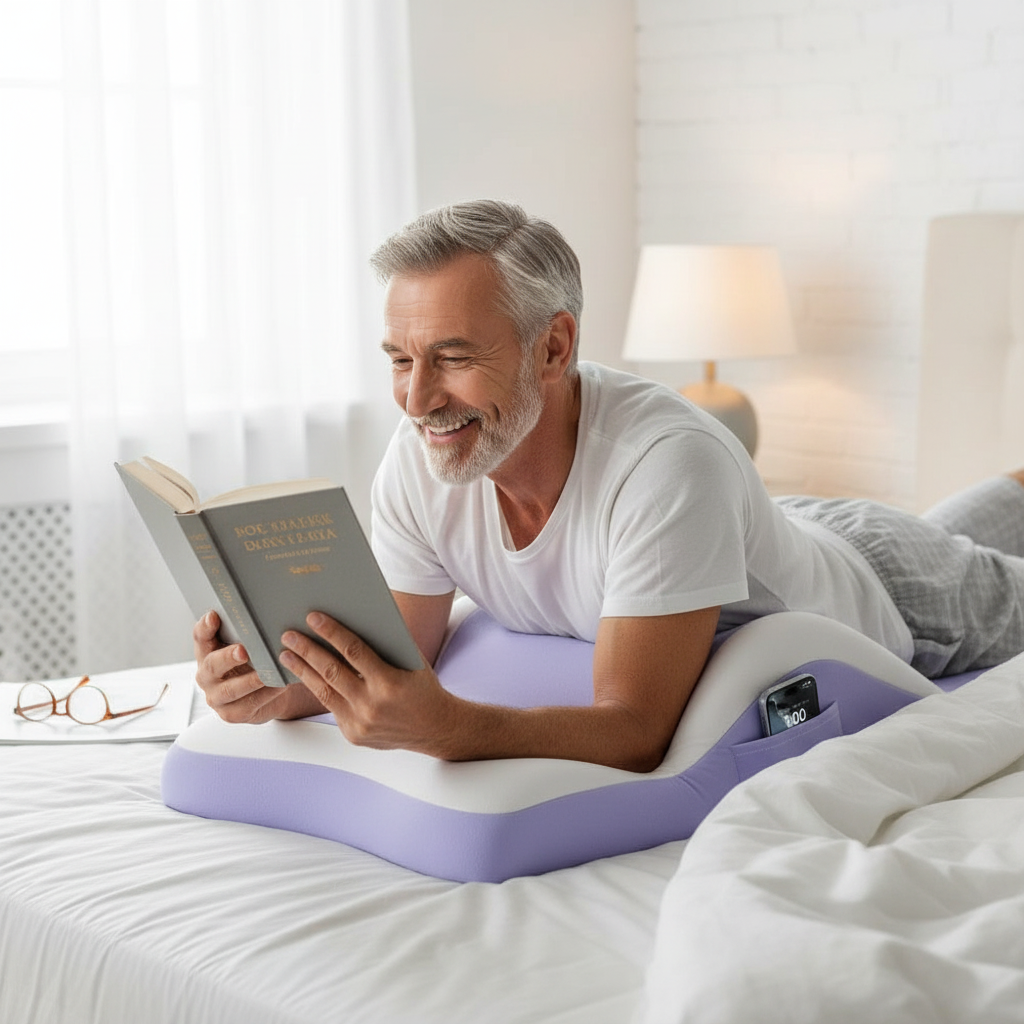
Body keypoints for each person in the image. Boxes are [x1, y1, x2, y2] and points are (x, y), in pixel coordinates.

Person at [194, 199, 1024, 773]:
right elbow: (403, 653)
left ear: (553, 349)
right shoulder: (422, 457)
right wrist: (273, 692)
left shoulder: (667, 464)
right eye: (401, 361)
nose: (417, 400)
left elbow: (634, 730)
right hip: (765, 530)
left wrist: (452, 729)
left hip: (890, 582)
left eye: (452, 357)